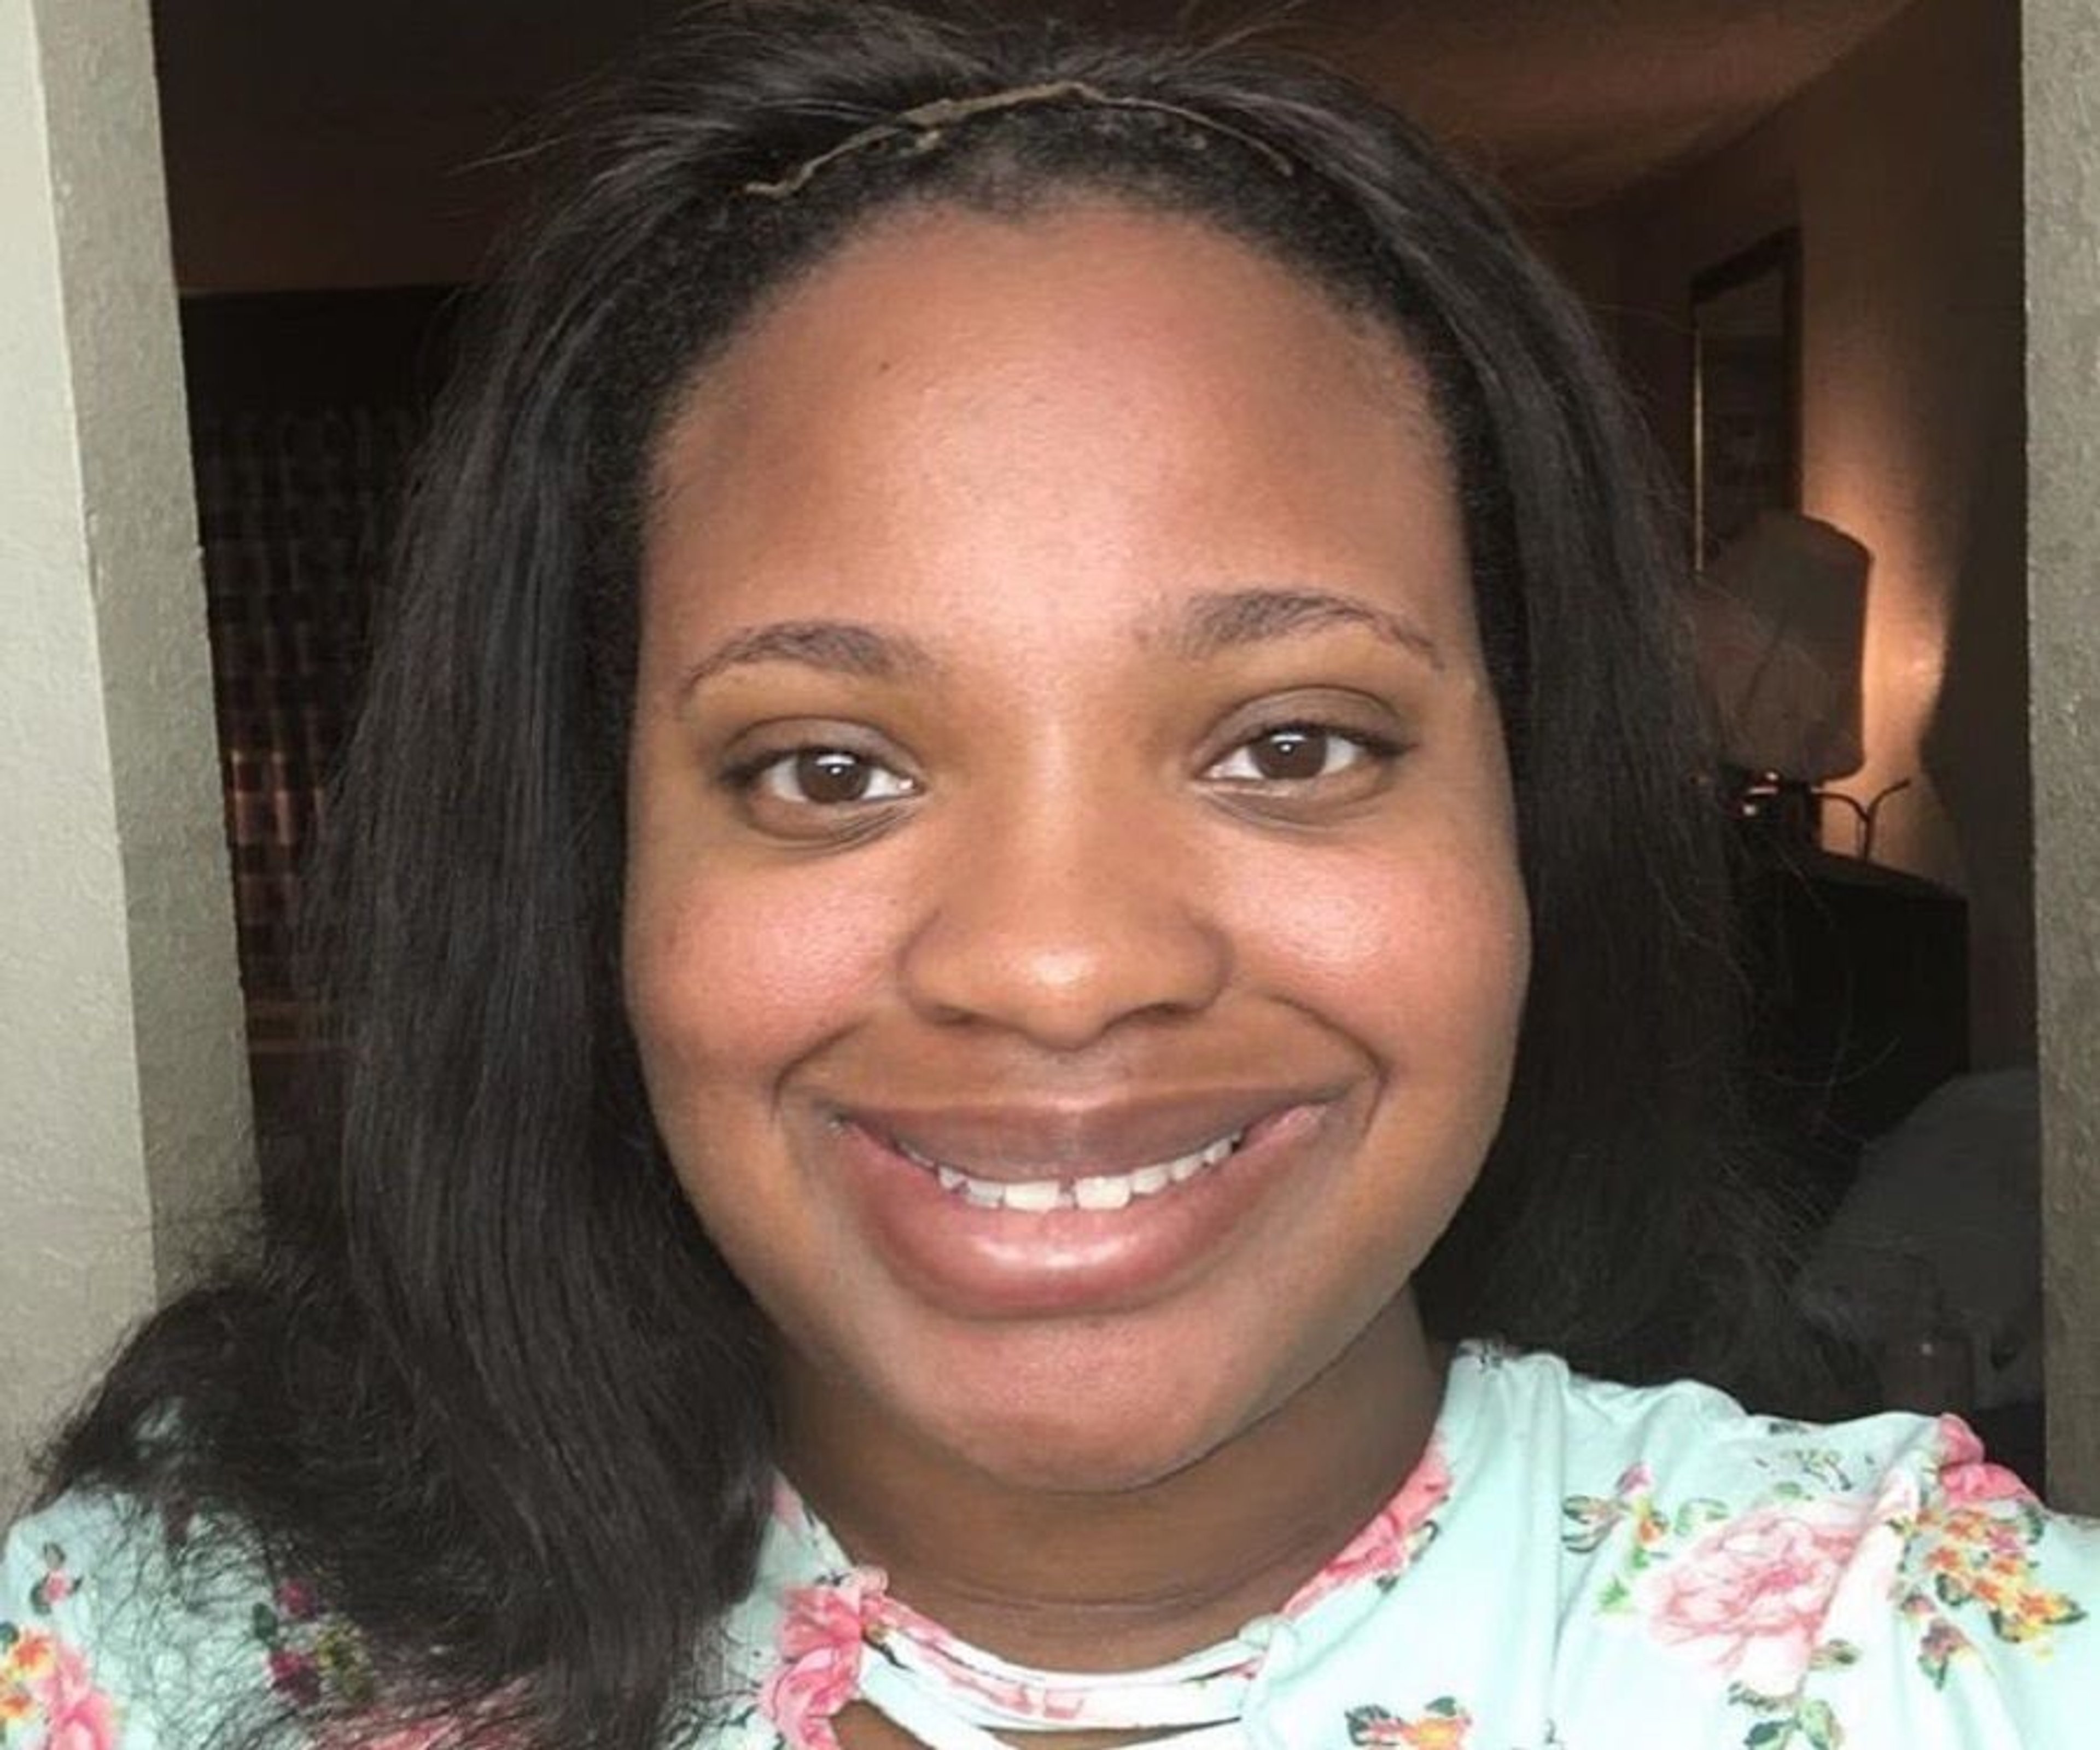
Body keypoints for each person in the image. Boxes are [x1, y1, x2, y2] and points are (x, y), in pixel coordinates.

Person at [4, 4, 2091, 1747]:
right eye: (827, 766)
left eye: (1295, 743)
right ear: (601, 878)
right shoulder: (179, 1655)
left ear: (1534, 829)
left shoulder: (1935, 1661)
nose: (1065, 964)